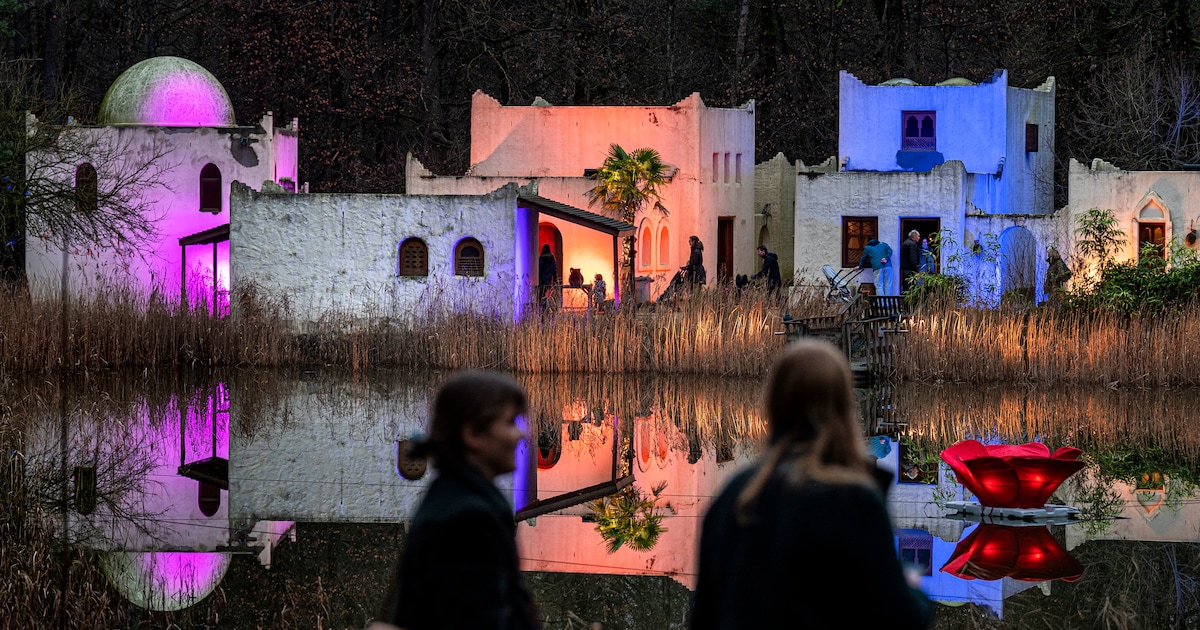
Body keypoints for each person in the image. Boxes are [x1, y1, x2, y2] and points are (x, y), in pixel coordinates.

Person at [689, 340, 934, 630]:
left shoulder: (734, 495)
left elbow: (704, 616)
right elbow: (900, 617)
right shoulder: (855, 500)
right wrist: (914, 589)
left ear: (775, 404)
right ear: (844, 407)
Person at [377, 371, 540, 630]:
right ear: (473, 434)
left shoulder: (453, 497)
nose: (520, 436)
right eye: (510, 423)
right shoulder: (471, 518)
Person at [537, 244, 557, 313]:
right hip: (549, 280)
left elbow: (540, 270)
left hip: (542, 280)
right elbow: (554, 270)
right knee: (549, 296)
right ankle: (553, 309)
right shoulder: (552, 258)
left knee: (542, 297)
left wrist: (538, 281)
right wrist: (555, 281)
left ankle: (544, 311)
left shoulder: (541, 258)